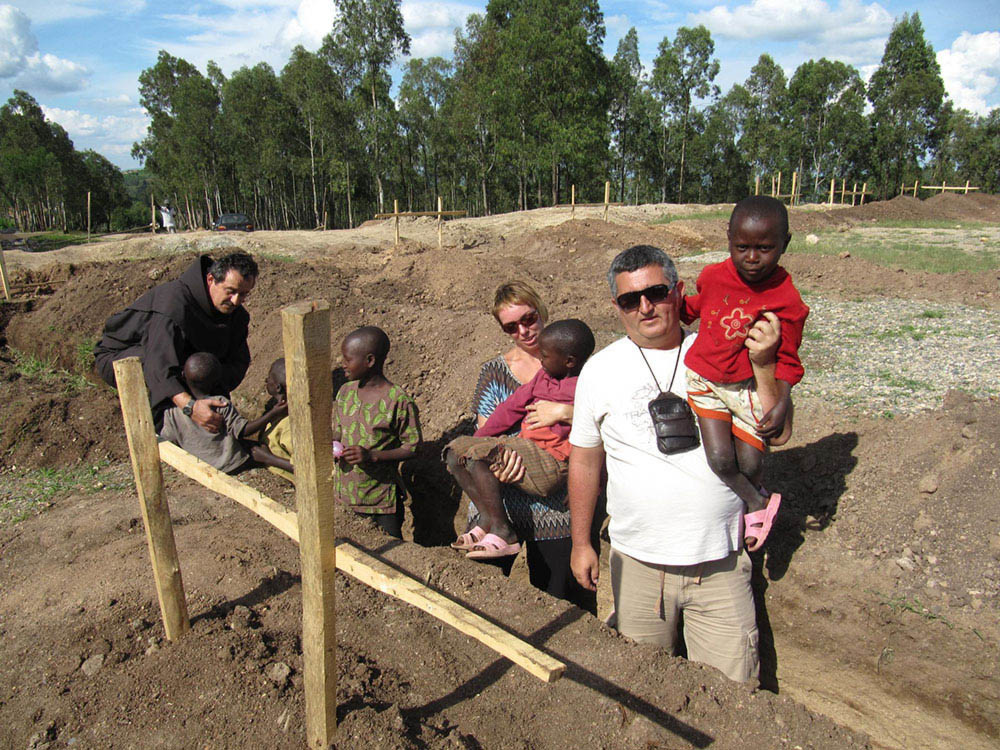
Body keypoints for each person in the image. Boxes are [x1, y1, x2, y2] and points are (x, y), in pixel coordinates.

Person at [568, 244, 789, 683]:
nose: (645, 307)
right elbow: (585, 460)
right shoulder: (599, 370)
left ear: (679, 291)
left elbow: (777, 432)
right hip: (638, 566)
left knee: (735, 693)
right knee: (643, 687)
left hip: (721, 562)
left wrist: (764, 365)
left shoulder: (722, 355)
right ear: (616, 306)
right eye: (630, 299)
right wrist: (581, 543)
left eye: (656, 292)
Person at [681, 196, 808, 549]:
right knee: (721, 459)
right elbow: (695, 308)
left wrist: (781, 402)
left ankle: (747, 507)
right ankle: (756, 503)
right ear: (728, 238)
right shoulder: (713, 276)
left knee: (751, 464)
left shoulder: (786, 299)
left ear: (785, 243)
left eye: (764, 248)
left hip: (744, 387)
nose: (752, 257)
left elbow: (789, 360)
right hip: (705, 380)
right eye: (742, 247)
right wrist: (669, 302)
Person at [463, 281, 596, 612]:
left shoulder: (586, 369)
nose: (523, 331)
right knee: (483, 603)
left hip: (555, 509)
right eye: (511, 326)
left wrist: (565, 412)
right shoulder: (494, 373)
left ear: (541, 311)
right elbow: (486, 430)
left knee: (561, 606)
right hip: (498, 505)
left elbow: (609, 423)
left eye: (528, 318)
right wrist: (500, 458)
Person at [445, 319, 595, 560]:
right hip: (527, 450)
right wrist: (478, 438)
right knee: (456, 451)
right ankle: (487, 518)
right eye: (510, 326)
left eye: (545, 356)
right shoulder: (542, 378)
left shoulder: (589, 386)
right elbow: (510, 408)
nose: (540, 359)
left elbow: (599, 439)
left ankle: (504, 533)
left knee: (479, 455)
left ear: (569, 361)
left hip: (552, 462)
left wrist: (586, 485)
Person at [93, 252, 257, 433]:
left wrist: (209, 390)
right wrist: (190, 406)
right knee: (163, 367)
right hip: (125, 357)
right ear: (211, 279)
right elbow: (159, 364)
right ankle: (161, 428)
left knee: (200, 367)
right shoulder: (173, 303)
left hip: (178, 362)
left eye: (243, 294)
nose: (236, 300)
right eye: (230, 291)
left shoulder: (237, 316)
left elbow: (237, 363)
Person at [332, 326, 422, 539]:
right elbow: (339, 432)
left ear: (370, 360)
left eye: (348, 359)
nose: (342, 364)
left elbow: (413, 447)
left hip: (381, 502)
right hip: (345, 497)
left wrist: (372, 455)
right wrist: (332, 445)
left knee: (389, 551)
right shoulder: (345, 393)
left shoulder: (397, 401)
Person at [158, 353, 287, 474]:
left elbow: (168, 440)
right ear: (217, 381)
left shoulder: (171, 413)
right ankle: (288, 465)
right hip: (231, 464)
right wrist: (272, 413)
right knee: (257, 449)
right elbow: (242, 431)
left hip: (200, 468)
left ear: (182, 375)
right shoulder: (219, 403)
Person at [249, 358, 295, 482]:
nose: (266, 380)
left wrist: (268, 459)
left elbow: (306, 467)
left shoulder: (290, 428)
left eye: (269, 377)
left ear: (278, 387)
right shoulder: (277, 413)